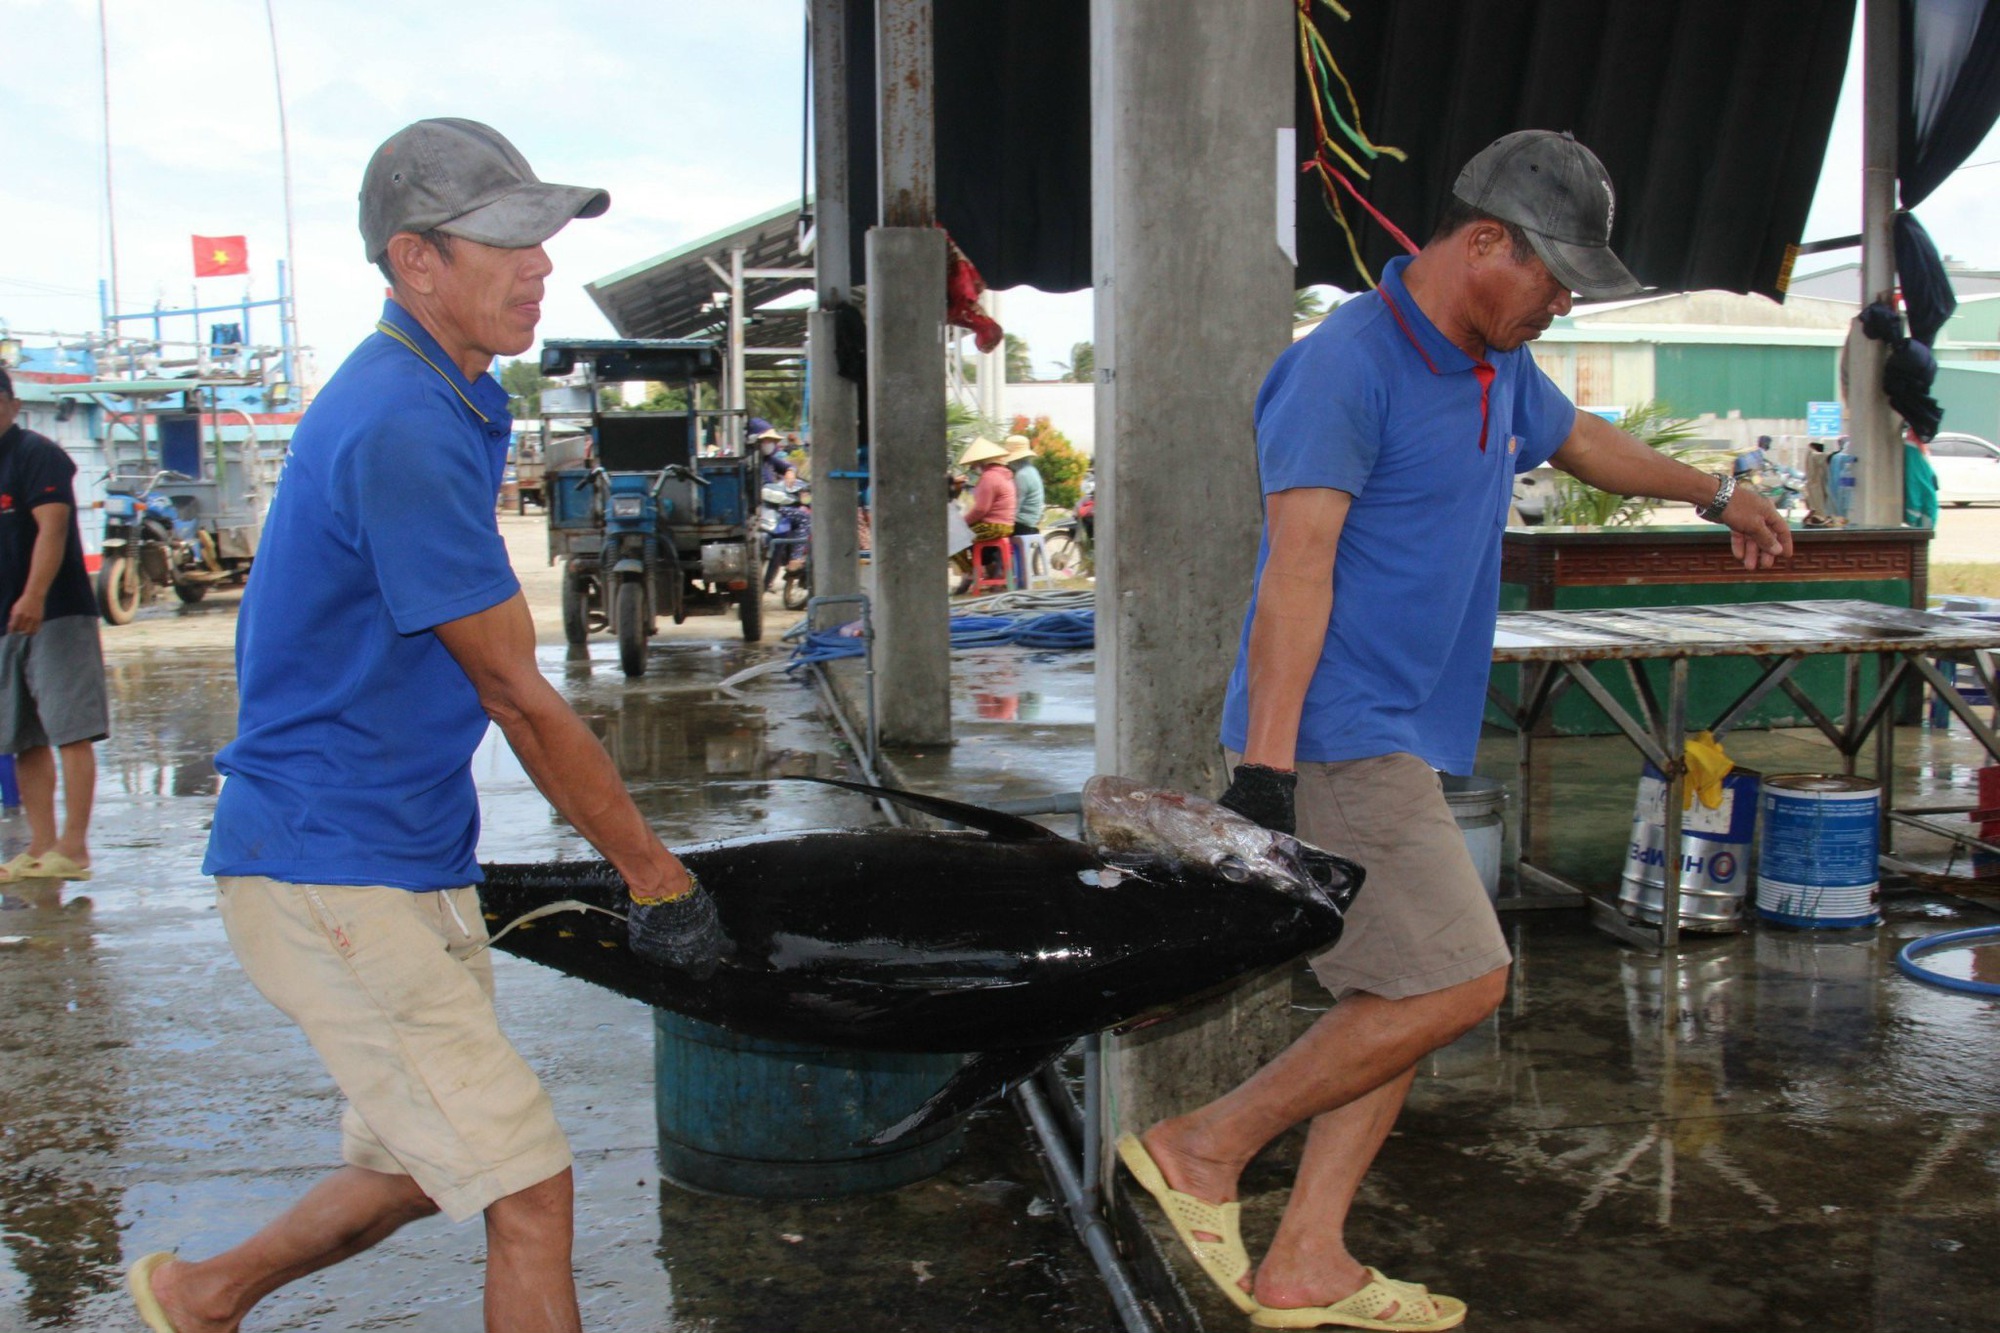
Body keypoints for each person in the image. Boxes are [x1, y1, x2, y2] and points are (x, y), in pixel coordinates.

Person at [1118, 130, 1791, 1331]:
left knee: (1396, 991)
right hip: (1339, 731)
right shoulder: (1345, 368)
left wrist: (1715, 492)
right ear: (1482, 241)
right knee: (1463, 978)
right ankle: (1203, 1148)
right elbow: (1295, 571)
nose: (1562, 301)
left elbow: (1579, 440)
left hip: (1403, 727)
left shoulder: (1491, 364)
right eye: (1552, 276)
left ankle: (1304, 1257)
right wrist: (1264, 771)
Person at [128, 118, 721, 1333]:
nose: (539, 265)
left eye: (542, 239)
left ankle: (202, 1294)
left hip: (394, 851)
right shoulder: (399, 419)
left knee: (419, 1160)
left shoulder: (445, 394)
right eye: (505, 241)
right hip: (328, 866)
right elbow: (515, 691)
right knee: (526, 1184)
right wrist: (655, 878)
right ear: (415, 261)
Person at [0, 366, 106, 885]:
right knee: (23, 736)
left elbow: (53, 526)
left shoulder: (36, 454)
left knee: (70, 730)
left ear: (12, 405)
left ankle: (75, 847)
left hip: (54, 613)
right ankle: (41, 847)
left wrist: (35, 595)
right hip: (5, 622)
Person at [1002, 433, 1046, 536]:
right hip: (1031, 521)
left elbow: (1015, 506)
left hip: (1023, 524)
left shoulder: (1022, 475)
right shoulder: (1031, 470)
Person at [1905, 425, 1939, 529]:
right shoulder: (1914, 452)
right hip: (1922, 516)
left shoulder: (1918, 452)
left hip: (1923, 513)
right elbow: (1914, 485)